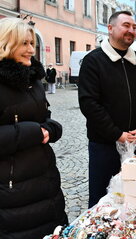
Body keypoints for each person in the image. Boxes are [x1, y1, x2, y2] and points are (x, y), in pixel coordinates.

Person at [78, 11, 136, 208]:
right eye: (126, 25)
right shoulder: (93, 61)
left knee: (134, 196)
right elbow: (89, 104)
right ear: (110, 29)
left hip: (133, 142)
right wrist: (116, 134)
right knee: (101, 198)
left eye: (134, 27)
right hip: (104, 144)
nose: (131, 30)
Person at [0, 18, 68, 238]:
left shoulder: (33, 79)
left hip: (45, 180)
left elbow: (45, 118)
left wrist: (52, 129)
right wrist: (33, 132)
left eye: (32, 43)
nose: (31, 49)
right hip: (12, 192)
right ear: (6, 44)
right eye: (25, 43)